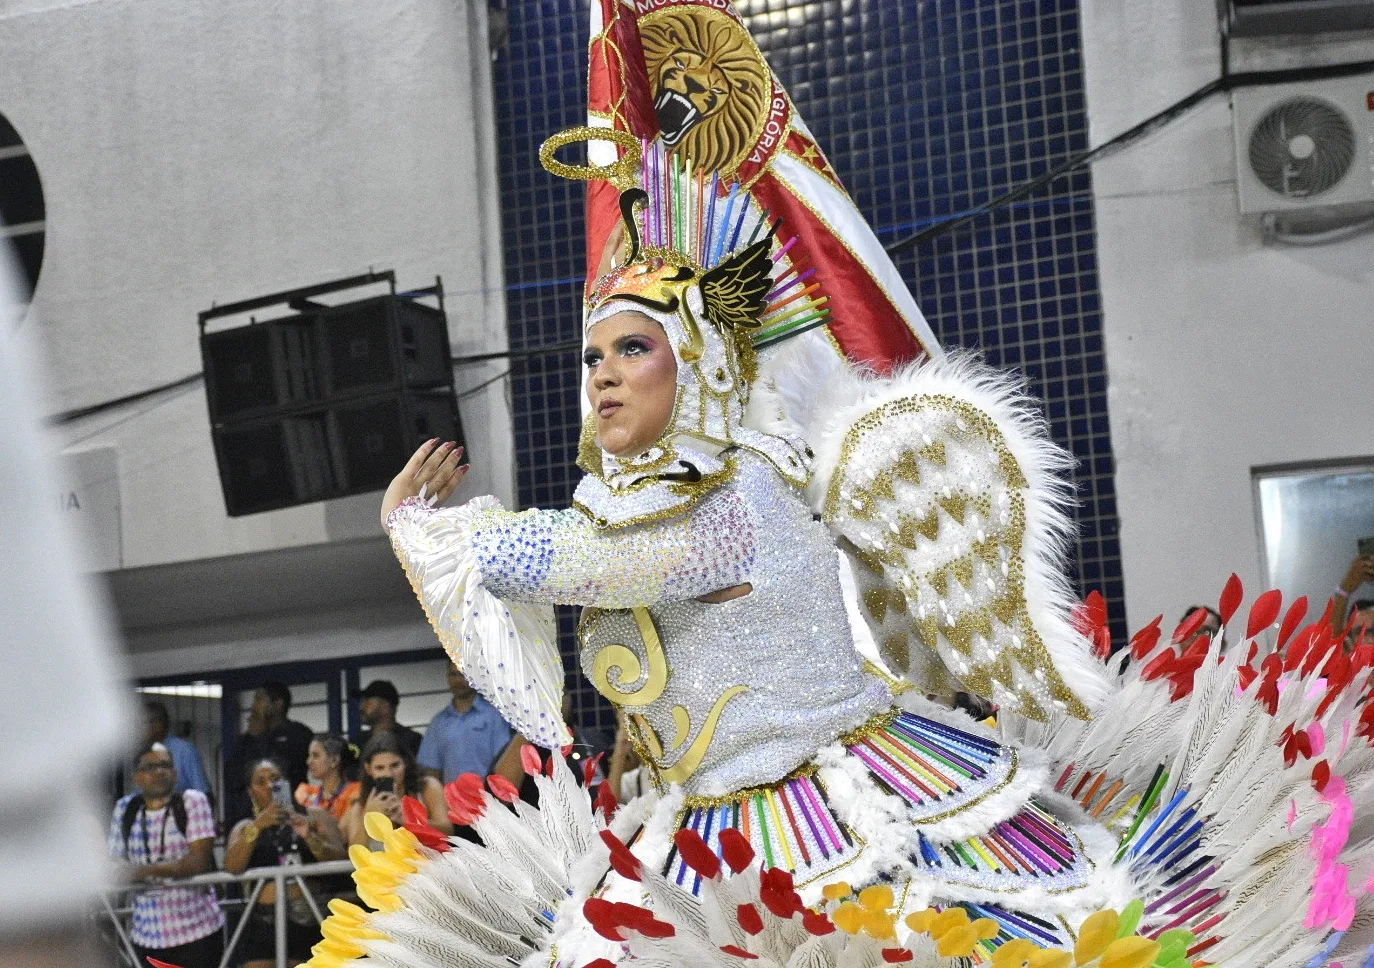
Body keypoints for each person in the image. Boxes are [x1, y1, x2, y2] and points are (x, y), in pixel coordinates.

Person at [314, 14, 1373, 963]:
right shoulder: (639, 498)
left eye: (630, 348)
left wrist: (439, 534)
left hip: (840, 807)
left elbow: (607, 567)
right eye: (589, 356)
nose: (599, 374)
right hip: (704, 827)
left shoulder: (744, 496)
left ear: (698, 365)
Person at [107, 743, 223, 968]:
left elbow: (198, 861)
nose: (160, 771)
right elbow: (115, 862)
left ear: (176, 773)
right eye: (150, 767)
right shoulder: (125, 809)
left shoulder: (192, 801)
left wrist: (140, 872)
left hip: (197, 931)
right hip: (146, 934)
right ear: (136, 778)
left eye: (165, 765)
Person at [224, 758, 345, 968]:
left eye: (275, 779)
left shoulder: (314, 815)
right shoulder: (246, 826)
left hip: (308, 915)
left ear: (287, 783)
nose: (269, 786)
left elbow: (340, 861)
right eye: (260, 782)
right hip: (261, 921)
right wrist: (259, 825)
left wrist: (309, 836)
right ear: (251, 792)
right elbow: (232, 866)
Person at [342, 732, 451, 847]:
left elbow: (448, 832)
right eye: (380, 768)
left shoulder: (427, 787)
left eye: (395, 766)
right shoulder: (362, 800)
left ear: (406, 763)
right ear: (369, 769)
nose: (389, 774)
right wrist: (368, 818)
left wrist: (409, 820)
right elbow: (356, 851)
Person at [225, 682, 313, 824]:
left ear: (278, 704)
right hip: (250, 818)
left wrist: (260, 738)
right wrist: (252, 737)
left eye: (259, 699)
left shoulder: (298, 733)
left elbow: (283, 771)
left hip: (290, 817)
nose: (254, 705)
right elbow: (231, 780)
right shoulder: (246, 739)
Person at [415, 662, 512, 784]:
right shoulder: (438, 722)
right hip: (452, 800)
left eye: (463, 674)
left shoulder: (495, 716)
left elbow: (505, 762)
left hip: (490, 797)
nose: (457, 680)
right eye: (453, 674)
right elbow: (431, 770)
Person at [143, 699, 212, 795]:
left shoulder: (184, 750)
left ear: (159, 724)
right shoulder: (144, 753)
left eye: (142, 723)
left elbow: (204, 795)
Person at [294, 733, 361, 823]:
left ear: (334, 760)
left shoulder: (355, 792)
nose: (308, 761)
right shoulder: (306, 793)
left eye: (316, 756)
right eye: (309, 756)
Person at [354, 679, 422, 757]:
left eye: (367, 701)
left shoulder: (412, 741)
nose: (361, 707)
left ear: (385, 705)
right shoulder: (359, 742)